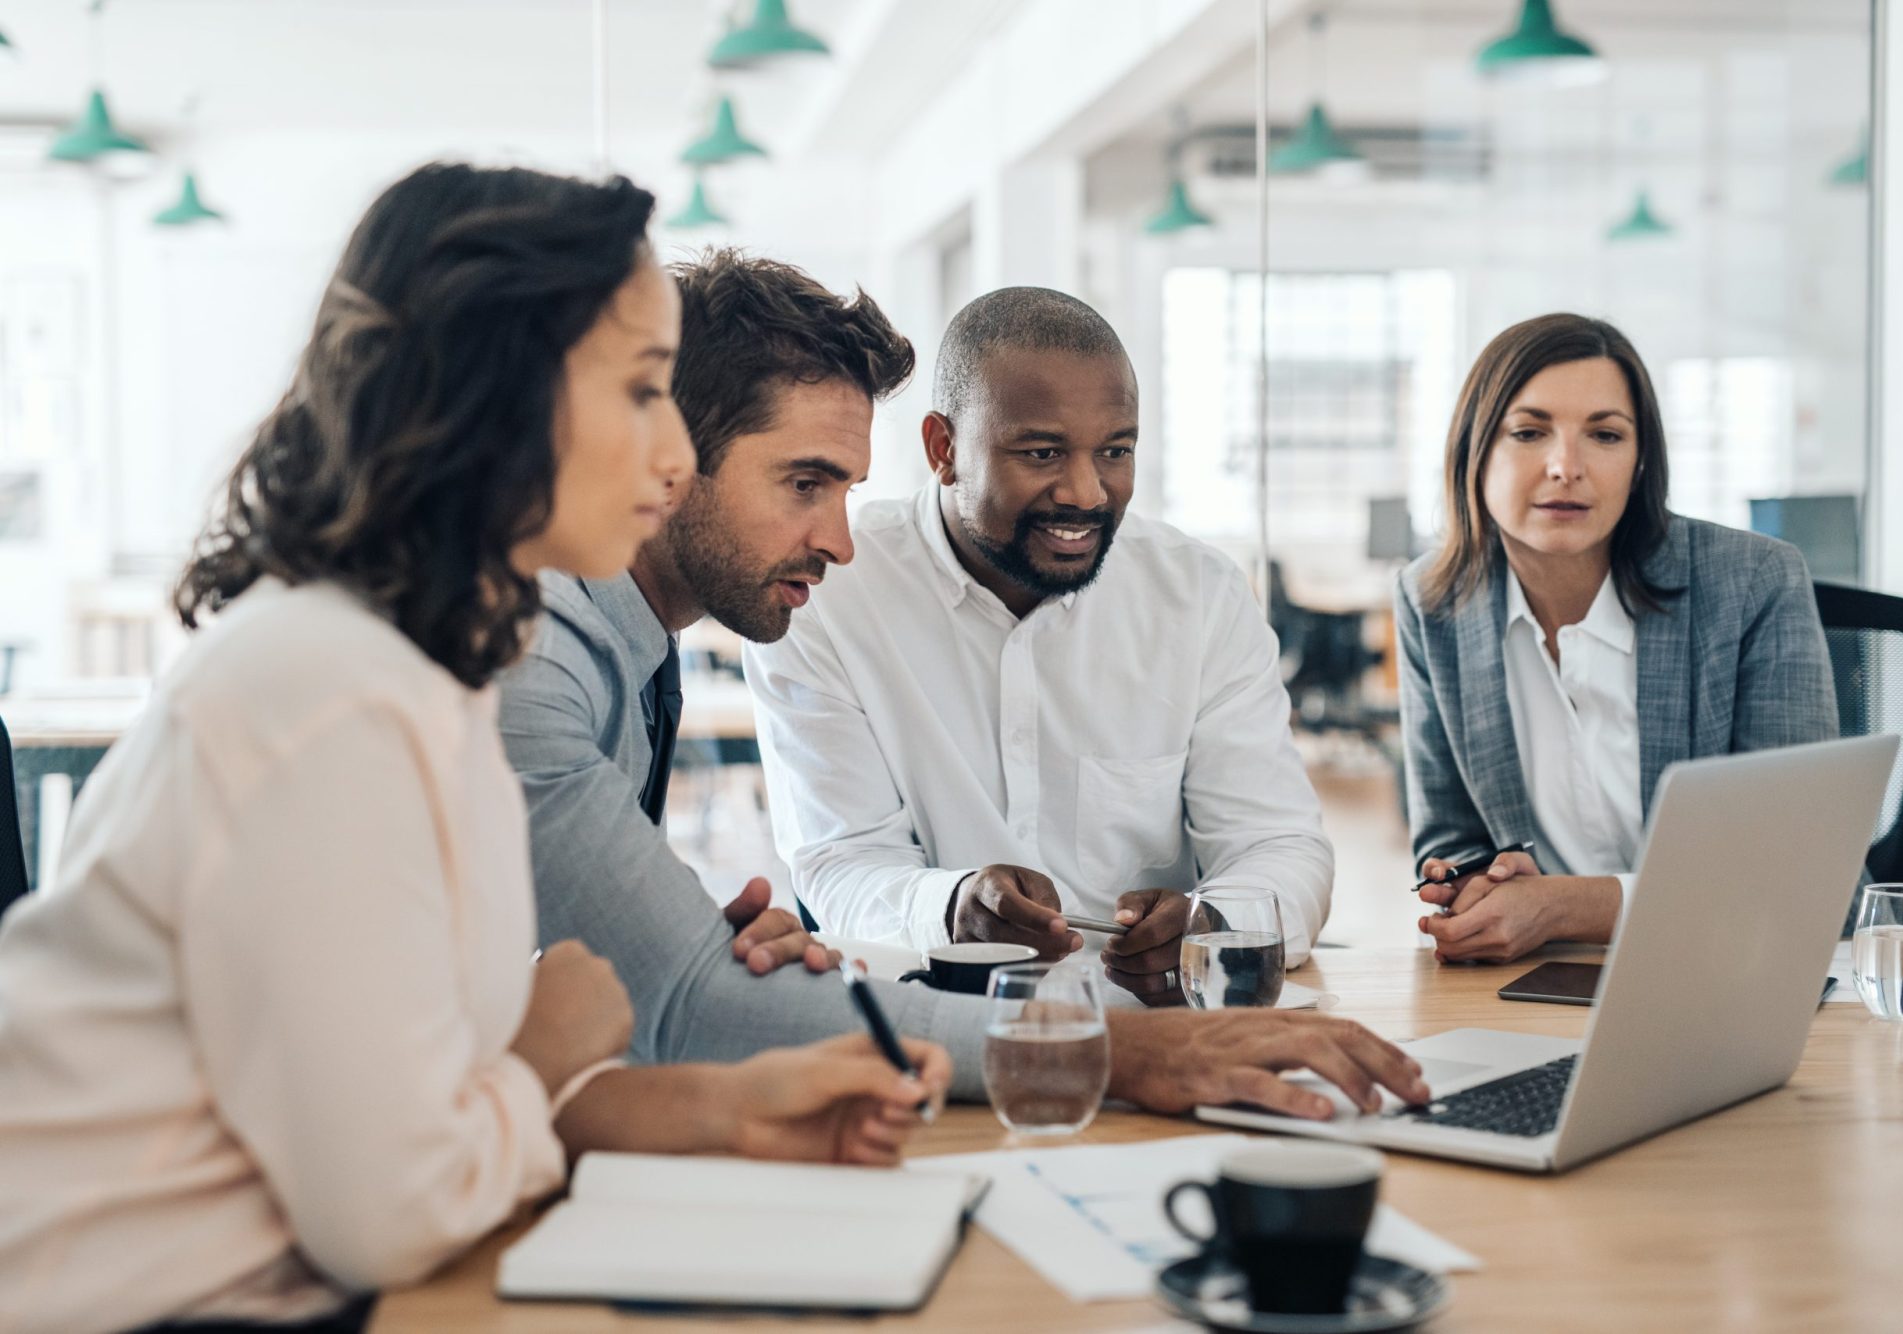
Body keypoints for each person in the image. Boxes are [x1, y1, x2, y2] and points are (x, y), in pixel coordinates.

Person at [0, 166, 945, 1334]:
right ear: (501, 396)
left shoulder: (423, 674)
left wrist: (726, 1106)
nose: (673, 455)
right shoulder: (329, 689)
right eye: (643, 390)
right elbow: (390, 1206)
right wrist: (546, 1045)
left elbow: (426, 1093)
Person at [502, 252, 1431, 1116]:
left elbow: (639, 989)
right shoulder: (542, 661)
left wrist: (705, 958)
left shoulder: (630, 646)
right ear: (665, 456)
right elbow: (692, 1000)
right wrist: (1120, 1053)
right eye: (804, 484)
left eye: (1115, 451)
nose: (839, 539)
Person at [743, 286, 1335, 1006]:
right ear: (943, 449)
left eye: (1115, 450)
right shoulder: (832, 591)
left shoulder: (1199, 596)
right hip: (938, 1029)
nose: (1087, 492)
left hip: (1161, 1030)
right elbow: (841, 863)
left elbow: (1280, 847)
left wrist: (1213, 925)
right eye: (1042, 452)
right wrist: (952, 906)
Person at [1396, 312, 1839, 965]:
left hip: (1733, 967)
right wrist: (1472, 883)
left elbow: (1796, 868)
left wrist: (1566, 905)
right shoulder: (1433, 601)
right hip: (1539, 977)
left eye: (1605, 435)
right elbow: (1451, 837)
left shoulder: (1753, 584)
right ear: (1474, 451)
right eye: (1528, 431)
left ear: (1638, 463)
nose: (1565, 466)